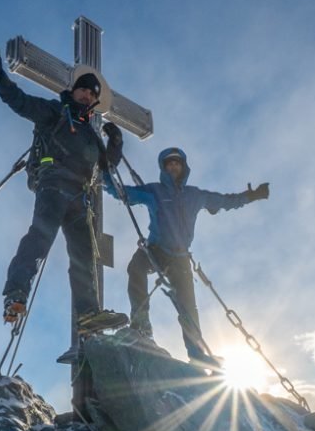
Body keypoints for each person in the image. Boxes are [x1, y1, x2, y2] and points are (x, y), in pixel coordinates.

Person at [0, 46, 126, 335]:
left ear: (96, 100)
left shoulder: (90, 133)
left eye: (92, 94)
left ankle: (88, 314)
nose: (87, 95)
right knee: (40, 238)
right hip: (54, 184)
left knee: (83, 256)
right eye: (83, 90)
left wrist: (116, 141)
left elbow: (106, 166)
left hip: (81, 197)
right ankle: (16, 293)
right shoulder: (55, 111)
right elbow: (20, 102)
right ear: (73, 92)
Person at [104, 147, 269, 366]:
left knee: (188, 306)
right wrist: (106, 171)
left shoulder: (195, 195)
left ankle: (197, 354)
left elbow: (225, 201)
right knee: (136, 267)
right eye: (169, 164)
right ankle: (141, 323)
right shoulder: (154, 191)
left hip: (180, 257)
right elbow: (121, 192)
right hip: (156, 249)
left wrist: (252, 196)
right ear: (163, 168)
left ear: (183, 167)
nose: (173, 167)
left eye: (177, 163)